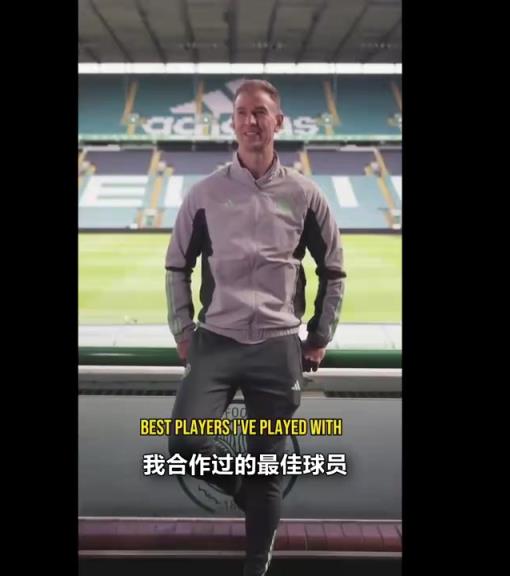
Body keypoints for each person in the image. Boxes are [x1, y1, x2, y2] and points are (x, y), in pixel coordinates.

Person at [164, 79, 345, 576]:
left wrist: (320, 335)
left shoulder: (305, 194)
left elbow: (333, 270)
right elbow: (176, 265)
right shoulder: (205, 193)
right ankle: (247, 491)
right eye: (242, 112)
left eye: (261, 112)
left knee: (269, 461)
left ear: (278, 121)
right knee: (185, 444)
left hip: (278, 345)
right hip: (215, 342)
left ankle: (257, 563)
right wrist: (183, 331)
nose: (251, 121)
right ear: (233, 121)